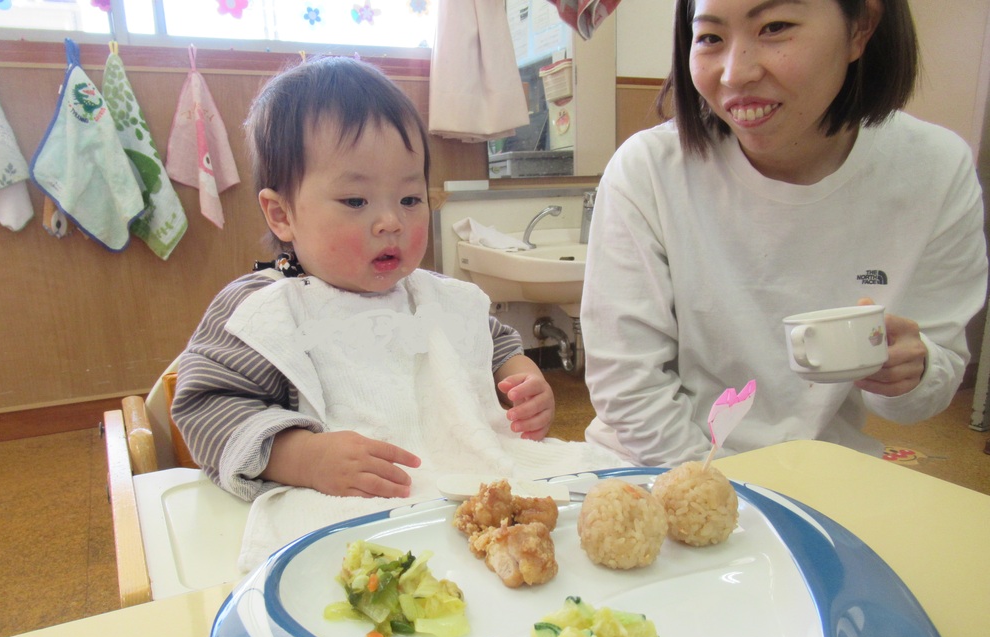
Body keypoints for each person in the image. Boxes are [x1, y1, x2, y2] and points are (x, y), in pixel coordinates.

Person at [171, 57, 621, 570]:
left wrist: (522, 377)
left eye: (410, 198)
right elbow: (206, 409)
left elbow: (490, 339)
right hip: (352, 517)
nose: (390, 222)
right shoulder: (267, 311)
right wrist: (303, 457)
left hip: (466, 486)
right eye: (356, 200)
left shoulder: (435, 296)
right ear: (281, 214)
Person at [580, 0, 987, 467]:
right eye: (711, 37)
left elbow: (931, 382)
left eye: (774, 27)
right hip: (659, 466)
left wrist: (911, 374)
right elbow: (629, 387)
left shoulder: (933, 169)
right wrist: (727, 497)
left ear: (861, 29)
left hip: (818, 474)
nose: (735, 74)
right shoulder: (649, 169)